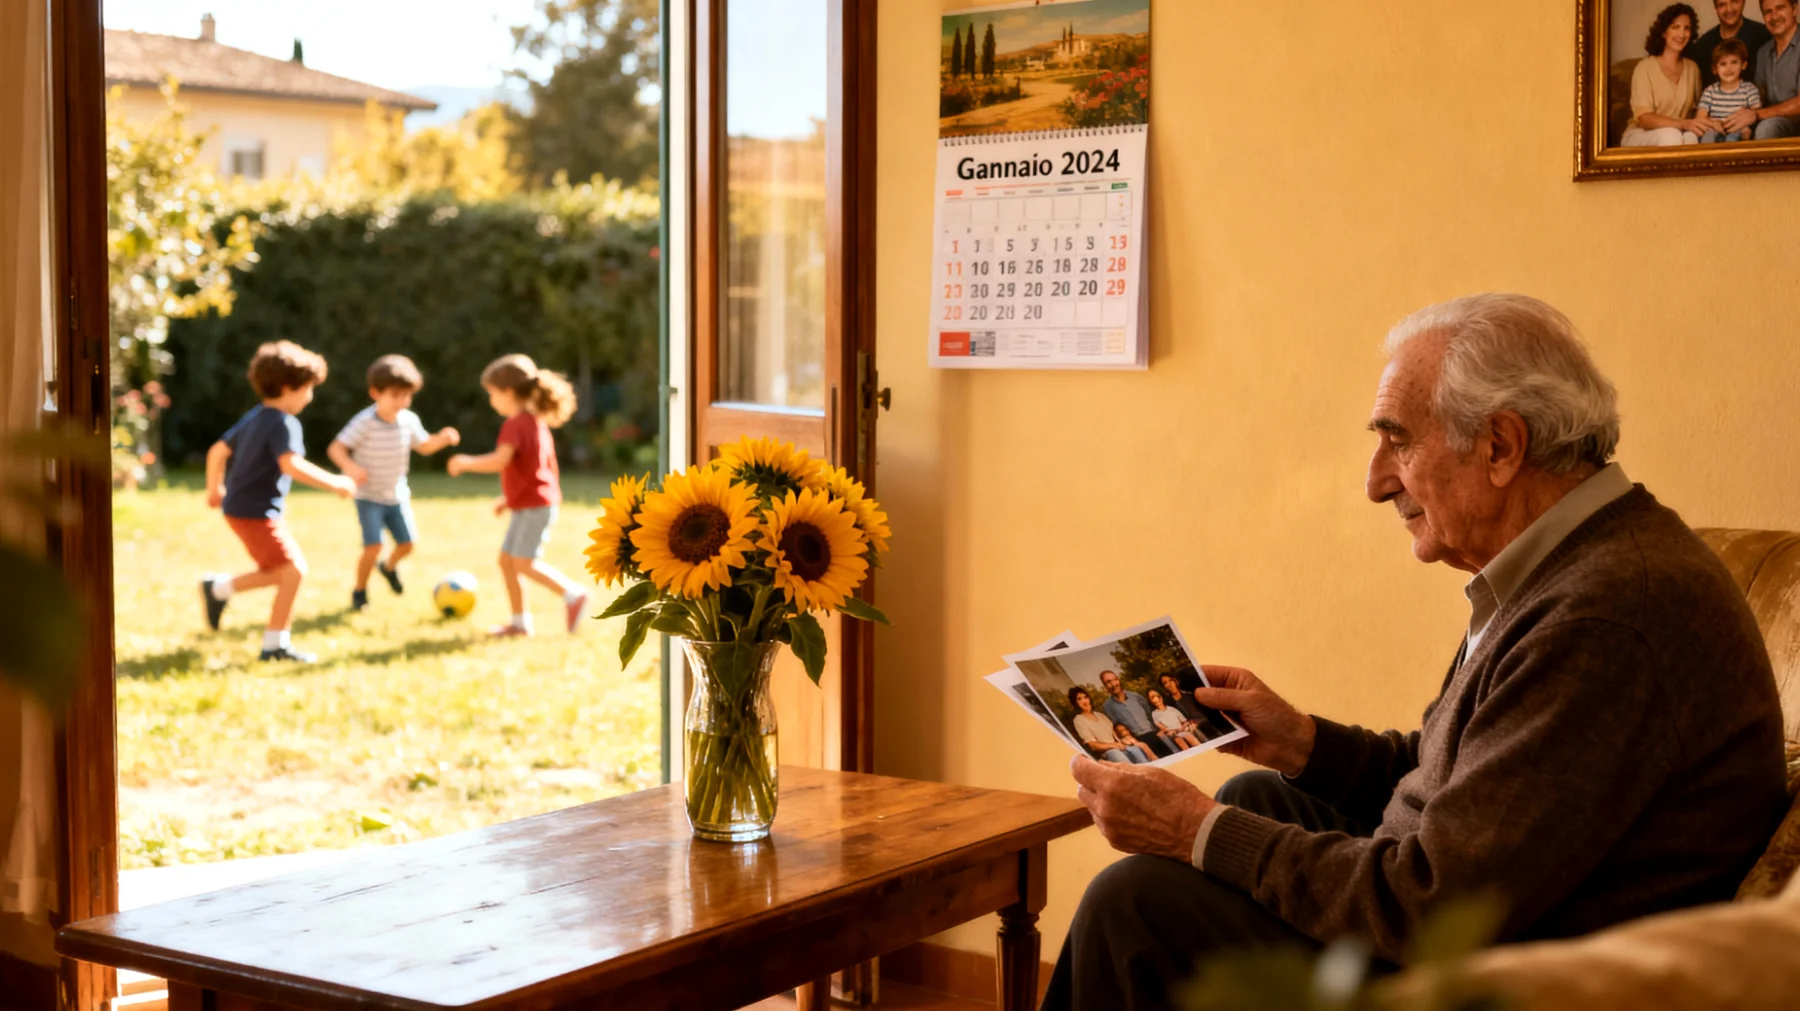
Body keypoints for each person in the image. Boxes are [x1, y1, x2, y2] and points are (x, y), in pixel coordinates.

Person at [1041, 294, 1788, 1011]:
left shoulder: (1605, 615)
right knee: (1260, 797)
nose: (1375, 482)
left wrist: (1193, 829)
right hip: (1502, 910)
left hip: (1528, 973)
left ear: (1499, 446)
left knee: (1133, 903)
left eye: (1397, 439)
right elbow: (1461, 776)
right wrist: (1301, 741)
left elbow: (1432, 902)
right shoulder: (1571, 562)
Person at [200, 340, 357, 663]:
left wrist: (214, 489)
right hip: (255, 513)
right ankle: (274, 645)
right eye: (308, 389)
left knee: (278, 570)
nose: (310, 397)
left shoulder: (255, 416)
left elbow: (217, 451)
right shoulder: (285, 422)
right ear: (288, 387)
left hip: (241, 510)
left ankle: (217, 590)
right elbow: (291, 464)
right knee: (293, 571)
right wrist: (336, 483)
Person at [447, 354, 590, 637]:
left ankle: (573, 594)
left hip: (535, 505)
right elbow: (535, 469)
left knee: (523, 562)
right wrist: (508, 499)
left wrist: (464, 462)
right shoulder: (533, 422)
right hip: (532, 503)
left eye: (492, 393)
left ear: (508, 392)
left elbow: (501, 460)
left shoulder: (516, 424)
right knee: (507, 561)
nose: (491, 401)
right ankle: (519, 623)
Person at [326, 355, 460, 611]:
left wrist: (442, 439)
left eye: (407, 396)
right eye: (395, 395)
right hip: (368, 497)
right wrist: (351, 467)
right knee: (373, 546)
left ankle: (388, 568)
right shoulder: (364, 422)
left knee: (408, 544)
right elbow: (336, 448)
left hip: (396, 496)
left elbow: (424, 446)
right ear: (375, 392)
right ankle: (360, 591)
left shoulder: (408, 420)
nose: (402, 401)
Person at [1620, 5, 1711, 146]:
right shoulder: (1644, 68)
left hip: (1678, 133)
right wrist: (1682, 124)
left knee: (1691, 138)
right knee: (1672, 136)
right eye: (1675, 27)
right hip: (1641, 134)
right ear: (1663, 32)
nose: (1682, 34)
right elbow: (1644, 118)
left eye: (1687, 28)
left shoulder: (1692, 69)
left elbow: (1698, 111)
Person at [1723, 0, 1800, 138]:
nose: (1774, 16)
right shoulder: (1763, 52)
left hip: (1792, 123)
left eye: (1780, 8)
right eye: (1768, 12)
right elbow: (1757, 98)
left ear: (1794, 9)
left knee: (1766, 128)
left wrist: (1757, 115)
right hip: (1775, 121)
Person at [1690, 0, 1773, 86]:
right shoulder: (1703, 46)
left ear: (1743, 2)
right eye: (1722, 5)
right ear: (1716, 9)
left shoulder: (1764, 36)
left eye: (1734, 1)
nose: (1729, 9)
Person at [1098, 670, 1178, 758]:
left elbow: (1151, 714)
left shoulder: (1136, 696)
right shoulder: (1108, 707)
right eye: (1108, 682)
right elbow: (1117, 728)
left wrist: (1160, 729)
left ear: (1118, 680)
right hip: (1137, 740)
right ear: (1105, 685)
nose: (1113, 684)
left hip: (1155, 733)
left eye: (1115, 679)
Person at [1697, 40, 1764, 140]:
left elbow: (1755, 113)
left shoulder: (1749, 89)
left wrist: (1747, 127)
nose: (1729, 68)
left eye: (1734, 62)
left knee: (1732, 138)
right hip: (1715, 129)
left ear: (1743, 65)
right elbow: (1700, 117)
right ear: (1714, 69)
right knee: (1708, 137)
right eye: (1723, 64)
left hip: (1738, 130)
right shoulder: (1710, 91)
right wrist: (1712, 123)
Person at [1069, 687, 1151, 764]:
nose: (1084, 701)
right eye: (1079, 699)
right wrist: (1113, 745)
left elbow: (1114, 734)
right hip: (1107, 752)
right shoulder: (1079, 720)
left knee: (1136, 750)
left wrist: (1123, 741)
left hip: (1118, 746)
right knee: (1118, 755)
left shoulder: (1100, 715)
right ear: (1075, 703)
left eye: (1085, 697)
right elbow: (1092, 745)